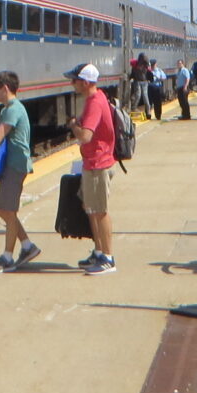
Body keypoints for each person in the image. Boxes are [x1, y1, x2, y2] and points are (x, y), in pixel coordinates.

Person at [0, 71, 40, 274]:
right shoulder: (10, 108)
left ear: (5, 88)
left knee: (7, 211)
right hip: (13, 164)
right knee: (3, 209)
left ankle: (8, 257)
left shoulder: (12, 110)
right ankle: (28, 247)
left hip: (16, 164)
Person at [65, 63, 117, 275]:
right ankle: (98, 252)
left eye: (74, 80)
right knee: (92, 210)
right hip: (92, 162)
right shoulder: (94, 98)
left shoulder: (95, 102)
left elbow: (85, 135)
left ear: (85, 82)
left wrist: (73, 125)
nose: (72, 84)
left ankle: (108, 258)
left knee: (100, 211)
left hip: (99, 163)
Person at [130, 53, 152, 119]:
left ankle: (148, 112)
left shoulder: (146, 65)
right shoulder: (135, 64)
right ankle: (134, 108)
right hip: (137, 81)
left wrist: (149, 79)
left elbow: (149, 73)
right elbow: (132, 72)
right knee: (138, 95)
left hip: (144, 82)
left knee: (145, 97)